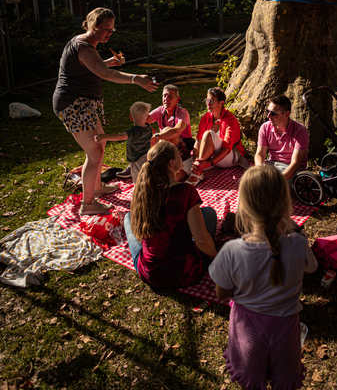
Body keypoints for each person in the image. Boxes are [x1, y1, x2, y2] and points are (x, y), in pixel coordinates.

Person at [209, 165, 318, 390]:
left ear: (244, 207)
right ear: (285, 203)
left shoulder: (231, 251)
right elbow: (312, 268)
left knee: (252, 380)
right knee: (285, 380)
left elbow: (222, 294)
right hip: (286, 329)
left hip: (246, 329)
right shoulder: (298, 243)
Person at [52, 7, 157, 216]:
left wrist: (109, 62)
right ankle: (88, 203)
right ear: (92, 26)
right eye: (105, 28)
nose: (109, 32)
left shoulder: (86, 44)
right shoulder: (84, 47)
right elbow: (104, 73)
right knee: (95, 152)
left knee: (101, 143)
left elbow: (93, 67)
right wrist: (137, 79)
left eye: (112, 28)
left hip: (83, 103)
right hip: (73, 104)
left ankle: (97, 187)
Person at [124, 141, 218, 289]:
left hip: (153, 275)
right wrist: (218, 257)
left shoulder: (143, 192)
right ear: (172, 163)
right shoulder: (186, 192)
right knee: (209, 214)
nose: (182, 157)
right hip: (188, 273)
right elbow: (202, 240)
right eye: (179, 155)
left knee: (128, 218)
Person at [117, 83, 194, 180]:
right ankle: (135, 163)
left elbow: (177, 131)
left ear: (177, 100)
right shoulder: (160, 111)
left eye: (170, 96)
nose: (166, 99)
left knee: (168, 131)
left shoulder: (182, 113)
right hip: (164, 145)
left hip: (182, 150)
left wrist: (157, 136)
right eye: (164, 96)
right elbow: (143, 121)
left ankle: (150, 162)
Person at [189, 87, 248, 185]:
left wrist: (208, 164)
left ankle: (197, 174)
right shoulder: (206, 118)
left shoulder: (230, 120)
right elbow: (198, 142)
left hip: (230, 155)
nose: (208, 104)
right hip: (211, 155)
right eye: (207, 100)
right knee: (184, 168)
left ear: (221, 103)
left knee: (208, 134)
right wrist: (195, 158)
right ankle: (197, 169)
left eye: (211, 101)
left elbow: (226, 149)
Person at [93, 101, 153, 185]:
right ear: (148, 117)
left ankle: (139, 194)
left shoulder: (133, 131)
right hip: (146, 156)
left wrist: (104, 136)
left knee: (138, 179)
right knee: (146, 175)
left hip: (136, 159)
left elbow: (120, 137)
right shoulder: (149, 128)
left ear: (130, 117)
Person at [255, 95, 309, 184]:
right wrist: (260, 168)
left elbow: (295, 163)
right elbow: (260, 154)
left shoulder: (300, 131)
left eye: (273, 113)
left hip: (291, 169)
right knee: (250, 181)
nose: (269, 116)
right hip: (271, 164)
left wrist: (280, 181)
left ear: (286, 114)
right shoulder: (265, 127)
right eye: (268, 111)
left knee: (276, 189)